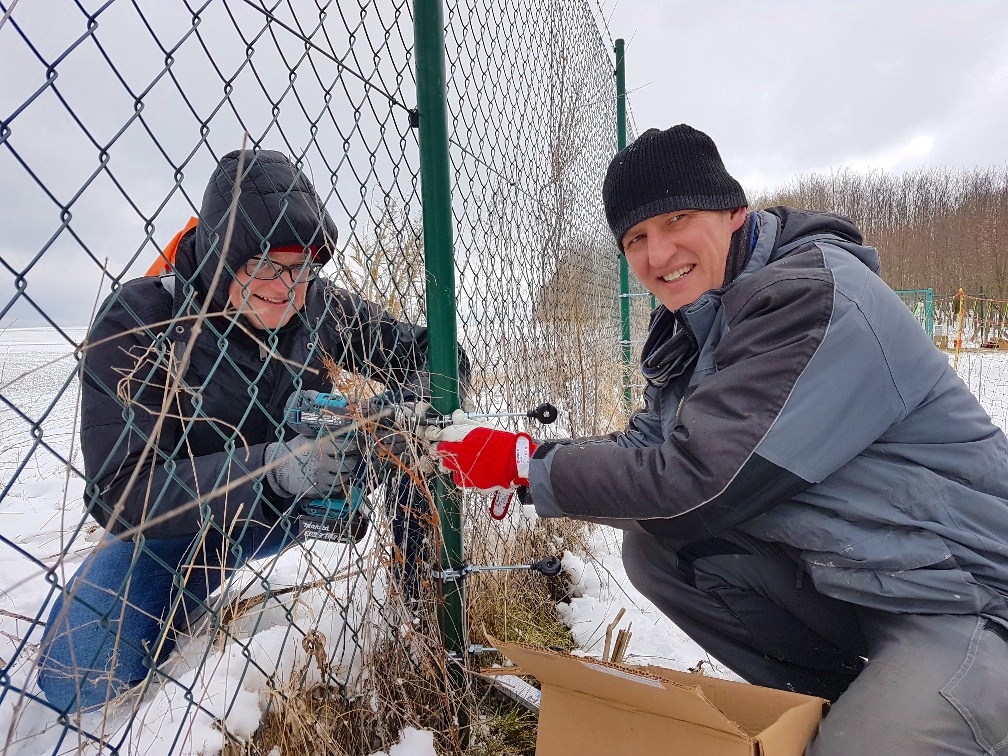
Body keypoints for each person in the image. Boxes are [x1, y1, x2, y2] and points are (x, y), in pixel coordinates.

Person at [433, 125, 1008, 755]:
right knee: (661, 549)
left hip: (970, 599)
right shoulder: (696, 321)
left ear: (734, 213)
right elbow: (647, 450)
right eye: (636, 238)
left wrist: (531, 468)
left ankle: (922, 716)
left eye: (677, 218)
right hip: (867, 583)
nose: (657, 255)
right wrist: (523, 459)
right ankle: (853, 706)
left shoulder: (809, 298)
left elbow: (697, 483)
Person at [37, 149, 451, 712]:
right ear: (222, 256)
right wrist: (273, 469)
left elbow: (434, 353)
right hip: (184, 530)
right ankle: (180, 596)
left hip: (306, 506)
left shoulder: (319, 306)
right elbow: (119, 490)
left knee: (417, 435)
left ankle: (427, 606)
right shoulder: (140, 320)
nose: (288, 287)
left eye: (303, 268)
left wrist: (401, 413)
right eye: (264, 267)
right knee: (78, 672)